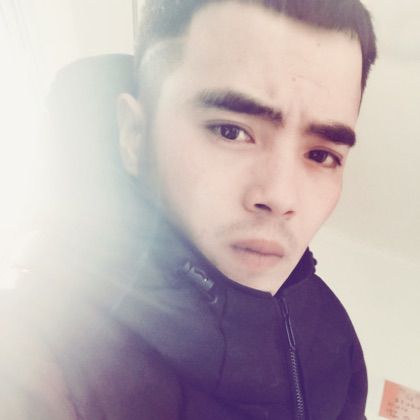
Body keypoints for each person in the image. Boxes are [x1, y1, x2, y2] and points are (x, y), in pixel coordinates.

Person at [1, 0, 377, 419]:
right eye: (230, 132)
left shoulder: (335, 332)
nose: (281, 197)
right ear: (134, 136)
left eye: (322, 155)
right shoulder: (31, 354)